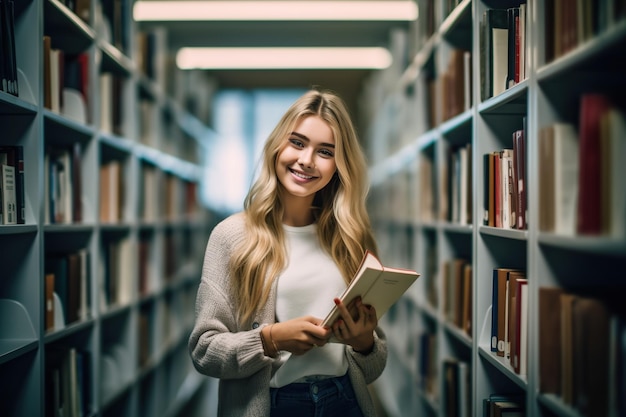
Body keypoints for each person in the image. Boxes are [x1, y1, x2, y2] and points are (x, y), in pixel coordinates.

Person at [188, 89, 387, 417]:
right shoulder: (232, 236)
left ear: (339, 165)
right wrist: (270, 339)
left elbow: (373, 367)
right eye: (297, 142)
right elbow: (204, 352)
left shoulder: (351, 239)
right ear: (277, 146)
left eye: (325, 151)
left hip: (344, 401)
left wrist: (365, 343)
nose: (307, 160)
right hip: (274, 405)